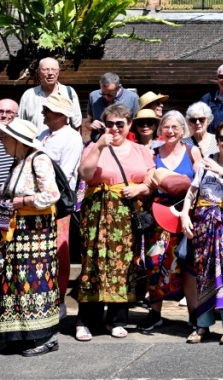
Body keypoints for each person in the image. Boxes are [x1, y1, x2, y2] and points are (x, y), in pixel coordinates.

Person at [76, 103, 154, 341]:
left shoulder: (141, 150)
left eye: (120, 124)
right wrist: (99, 145)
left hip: (127, 213)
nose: (115, 128)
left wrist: (140, 187)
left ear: (129, 125)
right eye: (110, 123)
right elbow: (85, 174)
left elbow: (151, 177)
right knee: (93, 263)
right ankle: (86, 321)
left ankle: (117, 319)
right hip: (97, 213)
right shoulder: (94, 146)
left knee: (125, 263)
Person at [0, 118, 62, 356]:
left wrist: (21, 202)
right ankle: (19, 336)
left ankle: (43, 337)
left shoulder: (38, 159)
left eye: (6, 138)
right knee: (14, 281)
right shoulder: (19, 162)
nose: (3, 142)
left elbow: (51, 194)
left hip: (36, 231)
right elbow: (8, 193)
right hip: (16, 231)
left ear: (18, 141)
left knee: (35, 281)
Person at [181, 120, 223, 344]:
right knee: (204, 273)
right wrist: (184, 214)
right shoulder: (204, 163)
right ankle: (202, 325)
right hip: (204, 223)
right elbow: (192, 192)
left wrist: (221, 172)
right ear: (217, 141)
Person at [141, 110, 200, 333]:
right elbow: (145, 179)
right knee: (155, 262)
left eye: (176, 127)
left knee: (188, 264)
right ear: (160, 130)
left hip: (186, 213)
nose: (171, 131)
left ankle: (194, 314)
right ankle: (155, 313)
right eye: (166, 127)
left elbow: (200, 178)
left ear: (183, 130)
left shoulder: (192, 150)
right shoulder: (152, 151)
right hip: (159, 213)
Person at [37, 93, 83, 316]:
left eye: (47, 110)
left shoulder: (72, 137)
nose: (43, 113)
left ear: (60, 115)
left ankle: (60, 300)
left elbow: (65, 173)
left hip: (59, 203)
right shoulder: (42, 134)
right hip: (37, 202)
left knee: (58, 251)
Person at [18, 57, 81, 130]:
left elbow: (76, 124)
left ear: (58, 72)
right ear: (38, 72)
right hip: (36, 140)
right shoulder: (29, 95)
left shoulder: (69, 92)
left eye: (54, 69)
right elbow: (21, 124)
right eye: (45, 69)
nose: (50, 73)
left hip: (63, 141)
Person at [87, 72, 140, 142]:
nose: (106, 97)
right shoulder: (93, 96)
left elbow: (136, 125)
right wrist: (91, 125)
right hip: (98, 140)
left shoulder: (132, 98)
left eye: (110, 95)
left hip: (122, 142)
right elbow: (88, 122)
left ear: (118, 87)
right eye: (102, 93)